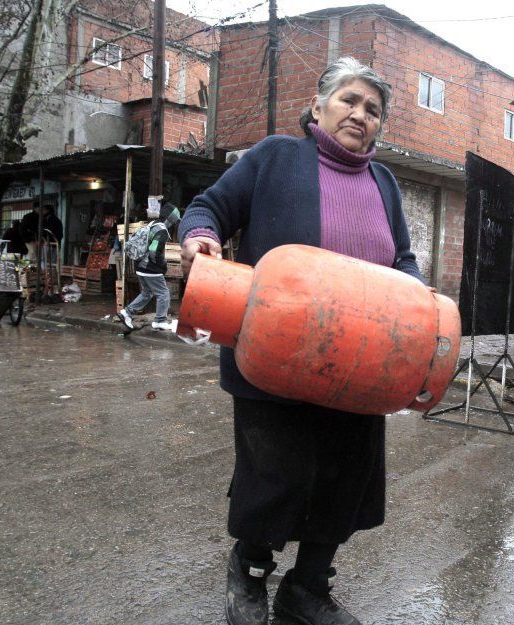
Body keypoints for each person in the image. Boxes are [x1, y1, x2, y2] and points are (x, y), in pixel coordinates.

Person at [179, 57, 422, 625]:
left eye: (373, 109)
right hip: (274, 350)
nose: (360, 115)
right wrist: (201, 238)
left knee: (344, 478)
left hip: (361, 363)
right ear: (318, 106)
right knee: (275, 475)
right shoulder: (274, 158)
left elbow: (403, 258)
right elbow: (208, 207)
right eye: (349, 101)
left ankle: (307, 589)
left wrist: (412, 301)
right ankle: (251, 571)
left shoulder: (383, 182)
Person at [117, 205, 180, 331]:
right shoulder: (161, 231)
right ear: (171, 218)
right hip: (151, 269)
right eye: (175, 220)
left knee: (147, 293)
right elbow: (153, 251)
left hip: (141, 268)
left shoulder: (152, 224)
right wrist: (162, 266)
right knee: (164, 293)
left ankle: (126, 313)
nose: (175, 223)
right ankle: (160, 321)